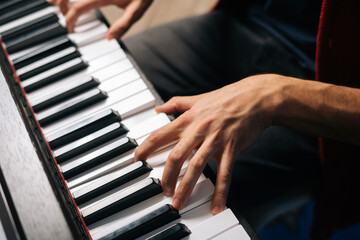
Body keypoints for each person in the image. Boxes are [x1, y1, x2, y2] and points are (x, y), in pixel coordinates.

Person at [48, 0, 360, 238]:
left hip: (323, 97)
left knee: (169, 190)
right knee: (96, 97)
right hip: (245, 26)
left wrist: (271, 96)